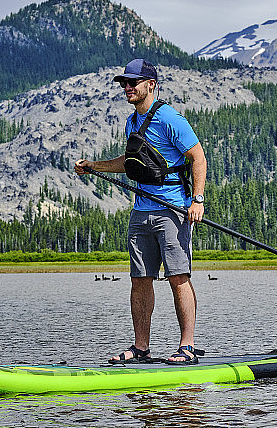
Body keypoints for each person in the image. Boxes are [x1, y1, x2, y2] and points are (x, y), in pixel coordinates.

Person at [74, 58, 207, 365]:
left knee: (178, 276)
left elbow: (198, 157)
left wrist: (197, 201)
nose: (127, 87)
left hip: (172, 211)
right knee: (140, 279)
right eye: (124, 83)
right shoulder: (131, 122)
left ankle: (186, 346)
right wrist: (94, 167)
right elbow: (129, 162)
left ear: (151, 85)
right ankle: (141, 348)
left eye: (133, 82)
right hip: (141, 213)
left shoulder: (171, 119)